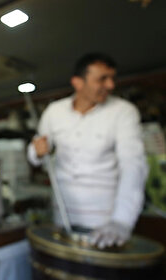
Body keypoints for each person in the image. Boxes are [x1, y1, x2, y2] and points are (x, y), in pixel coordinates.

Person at [27, 53, 148, 248]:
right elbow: (37, 157)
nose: (110, 85)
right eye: (102, 79)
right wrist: (37, 151)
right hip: (62, 215)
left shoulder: (123, 112)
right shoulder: (54, 112)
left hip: (106, 221)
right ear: (78, 82)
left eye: (112, 78)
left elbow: (133, 166)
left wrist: (122, 220)